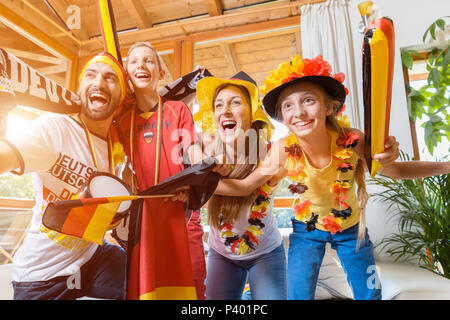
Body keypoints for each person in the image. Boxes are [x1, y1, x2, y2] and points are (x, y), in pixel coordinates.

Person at [214, 54, 450, 300]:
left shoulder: (352, 140)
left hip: (350, 228)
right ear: (283, 118)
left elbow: (396, 171)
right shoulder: (283, 150)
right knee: (297, 295)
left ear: (329, 107)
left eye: (308, 100)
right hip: (307, 230)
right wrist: (202, 185)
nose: (299, 113)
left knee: (369, 294)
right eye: (288, 106)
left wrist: (445, 166)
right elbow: (244, 186)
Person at [0, 52, 128, 300]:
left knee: (143, 276)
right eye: (90, 75)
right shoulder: (53, 128)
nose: (99, 83)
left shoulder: (118, 146)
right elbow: (6, 155)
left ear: (122, 96)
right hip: (40, 276)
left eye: (110, 78)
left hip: (90, 259)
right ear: (79, 89)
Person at [116, 41, 210, 300]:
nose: (140, 65)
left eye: (148, 60)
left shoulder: (177, 109)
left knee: (192, 283)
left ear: (160, 74)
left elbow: (194, 149)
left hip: (181, 208)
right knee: (148, 286)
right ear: (127, 75)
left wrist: (201, 174)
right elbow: (118, 164)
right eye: (134, 61)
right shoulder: (121, 120)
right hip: (144, 215)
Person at [193, 71, 287, 300]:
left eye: (235, 102)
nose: (224, 110)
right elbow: (189, 147)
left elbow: (308, 145)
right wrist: (204, 162)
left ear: (253, 114)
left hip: (266, 253)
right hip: (221, 253)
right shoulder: (205, 150)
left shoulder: (269, 152)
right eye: (218, 105)